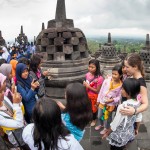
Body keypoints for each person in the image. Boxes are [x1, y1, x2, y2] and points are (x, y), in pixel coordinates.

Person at [102, 78, 142, 150]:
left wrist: (107, 133)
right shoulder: (138, 104)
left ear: (128, 92)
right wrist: (136, 129)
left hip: (119, 135)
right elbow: (138, 118)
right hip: (128, 132)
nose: (121, 90)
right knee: (123, 144)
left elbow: (115, 123)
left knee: (115, 148)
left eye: (123, 89)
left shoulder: (123, 106)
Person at [95, 64, 123, 134]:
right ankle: (101, 124)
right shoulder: (107, 80)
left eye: (115, 74)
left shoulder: (121, 85)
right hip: (102, 101)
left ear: (120, 75)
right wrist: (98, 100)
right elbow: (101, 90)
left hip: (111, 104)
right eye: (112, 73)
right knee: (99, 116)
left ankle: (106, 128)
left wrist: (112, 100)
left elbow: (119, 97)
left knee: (107, 117)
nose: (113, 75)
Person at [0, 73, 24, 147]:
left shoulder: (4, 99)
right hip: (16, 139)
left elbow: (22, 113)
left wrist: (19, 102)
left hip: (23, 132)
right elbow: (19, 124)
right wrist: (16, 104)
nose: (4, 93)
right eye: (0, 92)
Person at [83, 59, 104, 126]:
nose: (90, 69)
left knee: (94, 109)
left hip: (94, 96)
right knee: (88, 108)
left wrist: (88, 86)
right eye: (89, 66)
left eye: (92, 67)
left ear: (97, 68)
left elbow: (97, 91)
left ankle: (94, 120)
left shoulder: (100, 78)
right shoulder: (87, 75)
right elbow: (86, 83)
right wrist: (85, 85)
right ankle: (90, 118)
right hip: (87, 94)